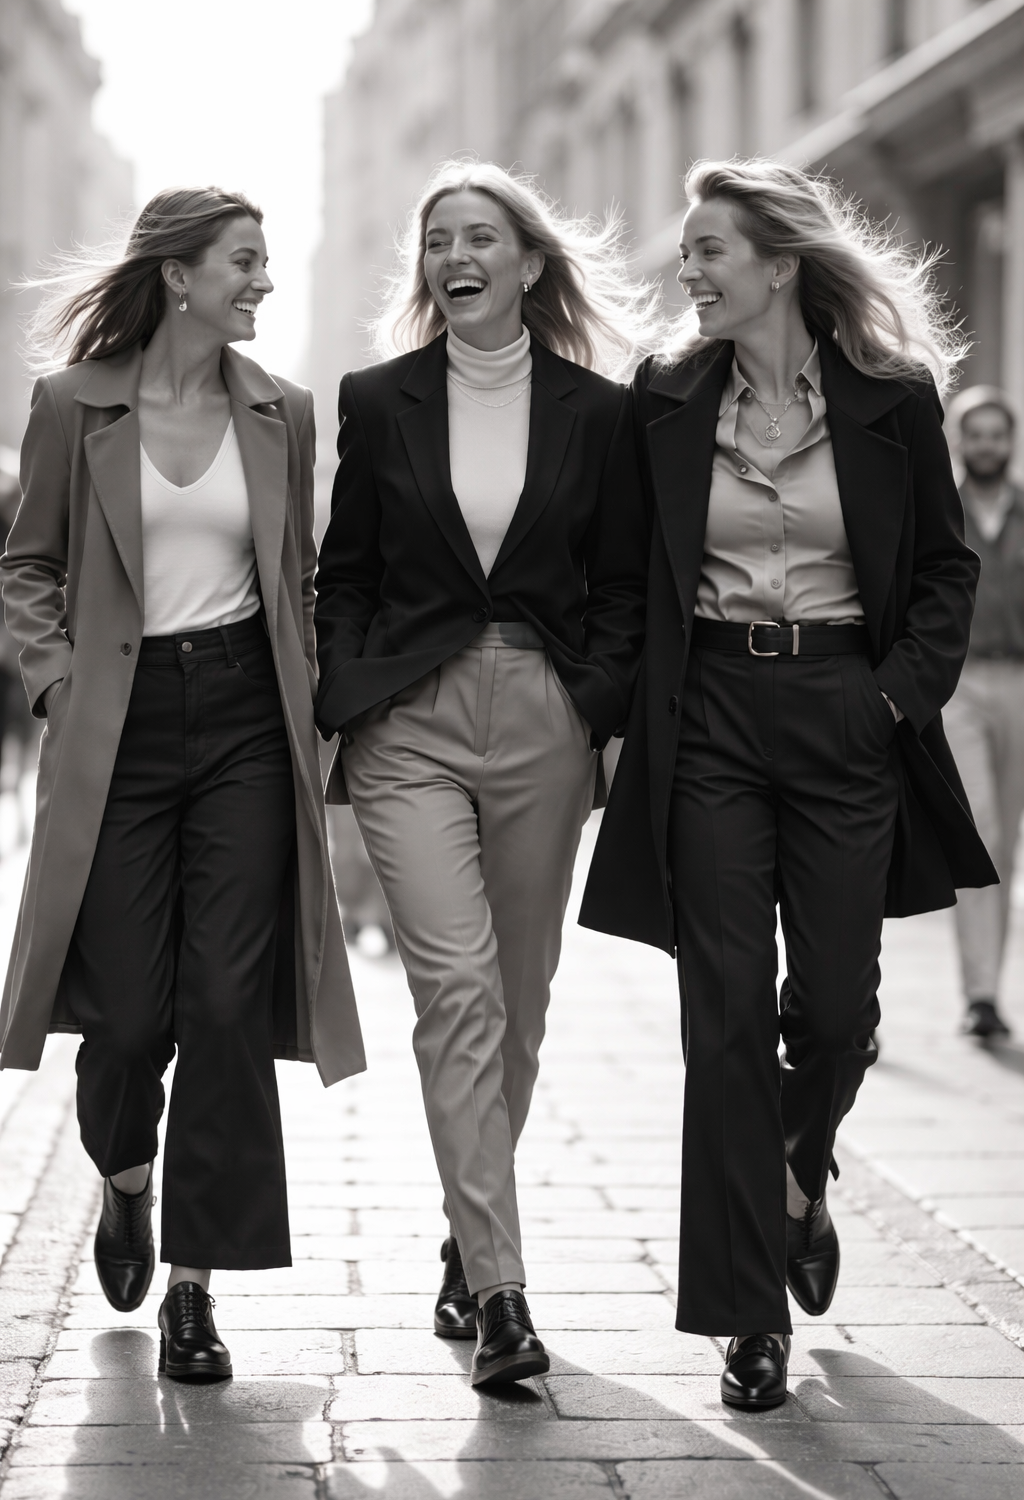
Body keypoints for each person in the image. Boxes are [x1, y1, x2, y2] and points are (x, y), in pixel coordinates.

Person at [580, 159, 995, 1411]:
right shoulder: (661, 397)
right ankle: (743, 1317)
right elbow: (616, 570)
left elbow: (940, 573)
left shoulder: (891, 398)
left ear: (778, 262)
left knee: (831, 1014)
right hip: (705, 716)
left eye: (708, 251)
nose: (687, 272)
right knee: (720, 1015)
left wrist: (890, 699)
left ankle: (796, 1174)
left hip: (842, 716)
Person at [0, 187, 364, 1381]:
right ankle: (125, 1174)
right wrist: (57, 688)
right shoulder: (73, 405)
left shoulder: (283, 412)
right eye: (243, 263)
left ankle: (197, 1290)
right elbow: (30, 570)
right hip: (120, 720)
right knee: (124, 1013)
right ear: (179, 276)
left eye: (263, 263)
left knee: (221, 1002)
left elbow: (297, 582)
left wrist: (314, 717)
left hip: (249, 727)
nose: (262, 283)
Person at [314, 160, 653, 1387]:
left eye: (480, 236)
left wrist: (591, 705)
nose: (455, 255)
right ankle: (503, 1291)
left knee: (517, 997)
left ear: (527, 264)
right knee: (454, 993)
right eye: (437, 239)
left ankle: (467, 1236)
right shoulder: (377, 397)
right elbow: (343, 567)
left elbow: (622, 585)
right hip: (411, 723)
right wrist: (348, 688)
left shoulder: (599, 412)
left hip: (544, 723)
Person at [943, 388, 1023, 1040]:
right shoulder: (944, 509)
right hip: (961, 684)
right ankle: (978, 994)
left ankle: (990, 991)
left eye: (999, 435)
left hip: (1021, 683)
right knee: (984, 832)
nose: (989, 445)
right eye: (978, 435)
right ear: (961, 441)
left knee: (1010, 840)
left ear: (1012, 441)